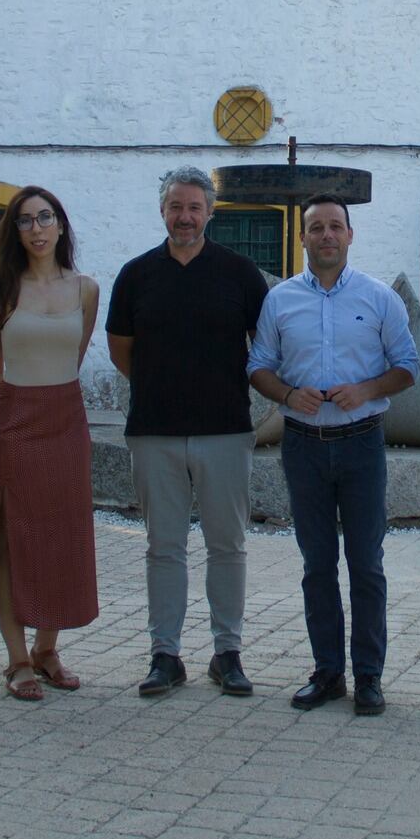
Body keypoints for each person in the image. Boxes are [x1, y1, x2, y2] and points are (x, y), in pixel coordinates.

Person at [248, 195, 420, 716]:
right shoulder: (280, 301)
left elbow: (408, 366)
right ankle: (327, 673)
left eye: (335, 227)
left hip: (362, 442)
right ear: (301, 238)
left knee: (366, 564)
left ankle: (369, 677)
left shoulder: (380, 298)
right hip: (302, 447)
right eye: (315, 227)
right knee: (317, 564)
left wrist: (367, 389)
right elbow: (258, 365)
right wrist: (283, 394)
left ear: (350, 235)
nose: (326, 235)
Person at [106, 166, 272, 698]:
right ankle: (165, 654)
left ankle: (227, 653)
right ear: (163, 212)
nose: (185, 217)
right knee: (163, 546)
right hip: (154, 431)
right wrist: (161, 385)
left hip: (224, 430)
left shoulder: (241, 273)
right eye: (176, 207)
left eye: (194, 207)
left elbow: (262, 348)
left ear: (210, 213)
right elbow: (120, 349)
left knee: (228, 545)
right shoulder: (135, 275)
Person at [0, 185, 100, 700]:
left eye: (46, 217)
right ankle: (17, 658)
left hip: (66, 418)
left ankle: (48, 649)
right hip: (13, 420)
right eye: (26, 221)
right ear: (15, 232)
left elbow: (76, 354)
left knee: (62, 537)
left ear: (61, 225)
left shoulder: (87, 289)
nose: (38, 228)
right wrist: (3, 424)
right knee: (10, 539)